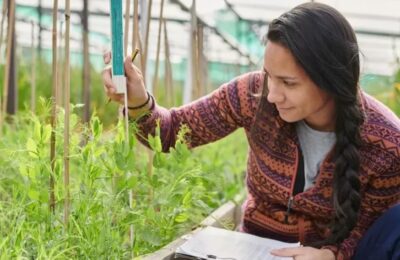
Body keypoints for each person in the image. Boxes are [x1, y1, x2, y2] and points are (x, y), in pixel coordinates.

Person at [102, 3, 400, 260]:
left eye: (289, 83)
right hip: (250, 248)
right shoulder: (252, 95)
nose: (272, 95)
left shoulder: (386, 143)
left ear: (332, 80)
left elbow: (366, 228)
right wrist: (140, 101)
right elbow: (171, 133)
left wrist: (333, 254)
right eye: (270, 76)